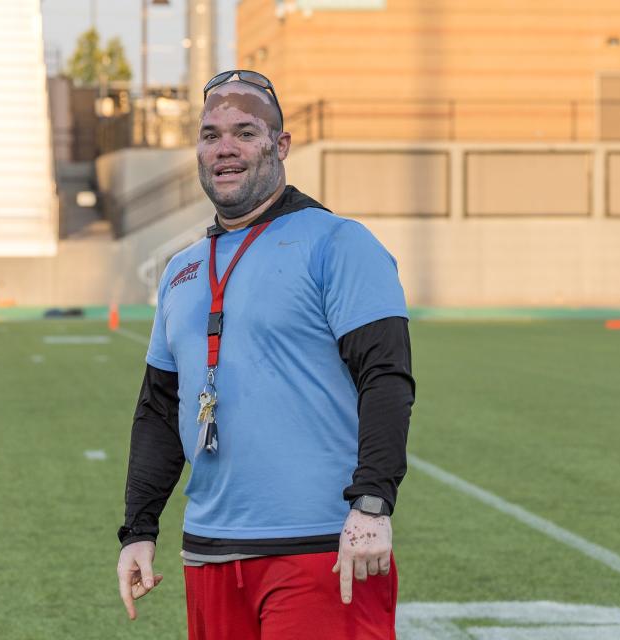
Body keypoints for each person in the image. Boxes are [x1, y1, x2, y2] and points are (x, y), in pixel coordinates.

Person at [116, 70, 415, 639]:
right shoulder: (180, 269)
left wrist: (373, 504)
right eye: (210, 135)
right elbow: (160, 406)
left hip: (322, 548)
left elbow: (386, 376)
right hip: (210, 553)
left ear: (280, 146)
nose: (224, 147)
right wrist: (139, 528)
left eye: (244, 132)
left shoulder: (337, 242)